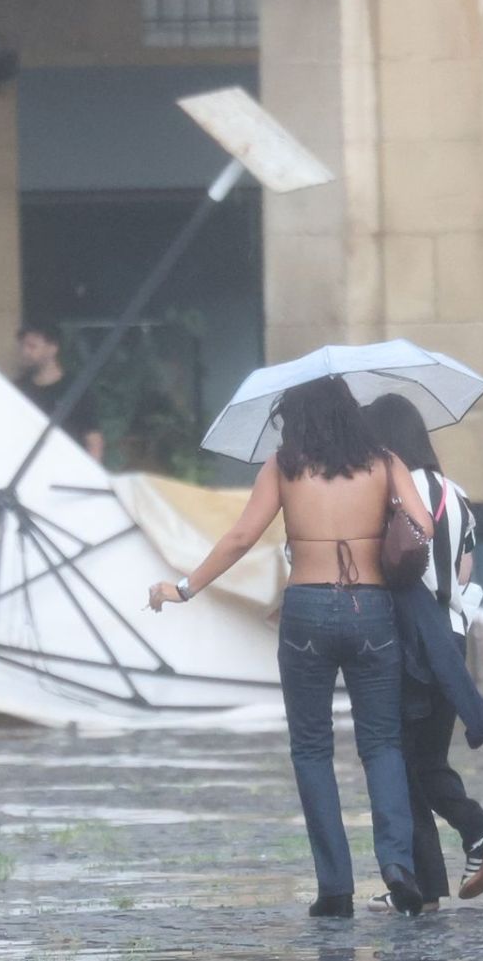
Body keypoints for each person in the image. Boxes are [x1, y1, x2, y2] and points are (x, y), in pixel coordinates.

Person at [146, 378, 436, 918]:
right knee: (382, 744)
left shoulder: (284, 465)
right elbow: (422, 526)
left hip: (306, 611)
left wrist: (184, 588)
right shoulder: (384, 460)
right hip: (372, 609)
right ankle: (397, 864)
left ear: (298, 419)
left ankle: (335, 888)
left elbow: (240, 538)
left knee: (311, 749)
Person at [364, 395, 483, 909]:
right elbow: (463, 572)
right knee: (428, 758)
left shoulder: (387, 491)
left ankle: (469, 840)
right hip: (451, 636)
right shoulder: (455, 493)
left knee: (403, 764)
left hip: (406, 639)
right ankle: (454, 860)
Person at [14, 321, 104, 461]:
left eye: (32, 346)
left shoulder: (76, 388)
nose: (25, 352)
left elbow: (93, 441)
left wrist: (86, 472)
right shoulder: (19, 388)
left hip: (66, 465)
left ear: (52, 349)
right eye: (23, 346)